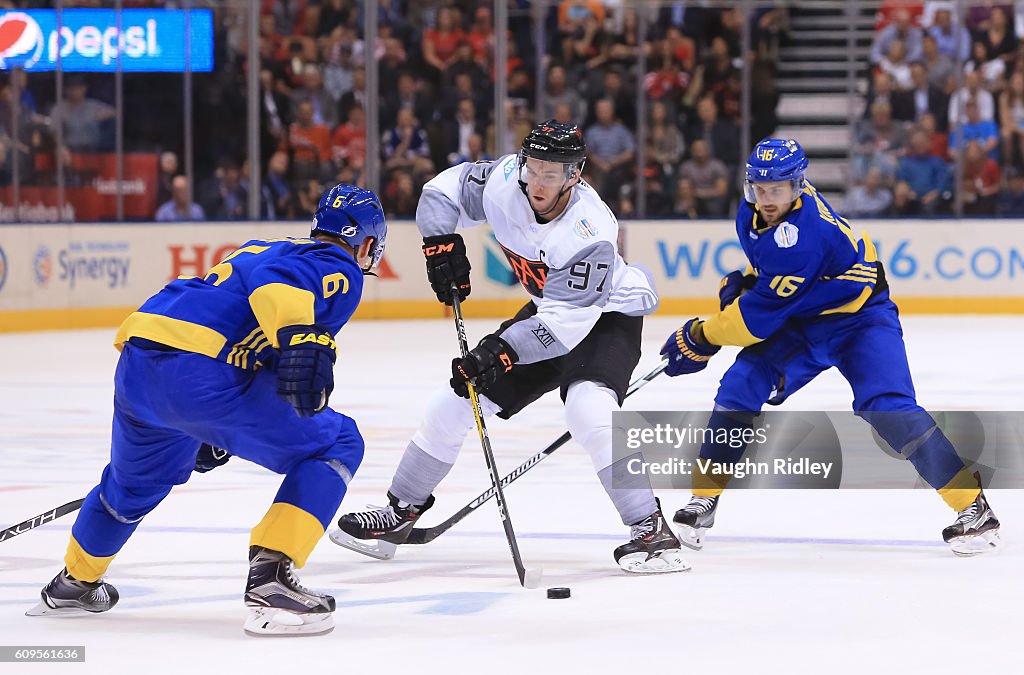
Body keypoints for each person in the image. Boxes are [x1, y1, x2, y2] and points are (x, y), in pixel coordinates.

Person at [27, 184, 388, 637]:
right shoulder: (337, 264)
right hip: (199, 373)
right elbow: (279, 292)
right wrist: (298, 332)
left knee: (131, 487)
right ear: (368, 244)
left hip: (139, 362)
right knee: (338, 442)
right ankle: (272, 579)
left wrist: (208, 434)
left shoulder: (262, 246)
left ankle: (75, 581)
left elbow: (244, 323)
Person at [332, 120, 687, 574]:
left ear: (574, 175)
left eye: (551, 173)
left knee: (588, 408)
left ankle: (650, 528)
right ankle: (401, 513)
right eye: (533, 168)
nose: (537, 182)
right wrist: (440, 244)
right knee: (456, 399)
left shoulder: (589, 232)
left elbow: (561, 332)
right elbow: (441, 192)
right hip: (549, 309)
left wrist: (498, 353)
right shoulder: (506, 181)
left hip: (604, 317)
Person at [659, 138, 1001, 557]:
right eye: (759, 188)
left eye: (777, 189)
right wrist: (750, 279)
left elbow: (752, 322)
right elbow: (769, 270)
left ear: (799, 186)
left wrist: (700, 335)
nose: (766, 198)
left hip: (860, 321)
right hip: (805, 319)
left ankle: (972, 506)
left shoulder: (804, 235)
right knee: (741, 383)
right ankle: (703, 498)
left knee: (888, 408)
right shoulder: (754, 213)